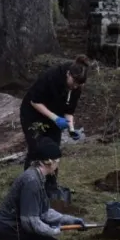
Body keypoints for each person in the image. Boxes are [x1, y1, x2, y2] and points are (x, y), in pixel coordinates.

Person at [0, 138, 85, 240]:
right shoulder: (32, 181)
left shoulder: (38, 178)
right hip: (7, 228)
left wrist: (69, 220)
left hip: (12, 226)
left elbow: (45, 212)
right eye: (58, 162)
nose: (58, 166)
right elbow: (30, 221)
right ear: (50, 162)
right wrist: (53, 231)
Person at [18, 55, 91, 195]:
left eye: (79, 84)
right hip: (33, 115)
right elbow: (35, 101)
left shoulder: (77, 87)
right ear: (68, 74)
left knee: (53, 150)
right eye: (74, 82)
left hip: (54, 117)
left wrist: (71, 129)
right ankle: (29, 187)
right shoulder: (51, 76)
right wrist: (55, 118)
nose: (75, 86)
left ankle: (50, 187)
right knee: (37, 149)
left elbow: (69, 111)